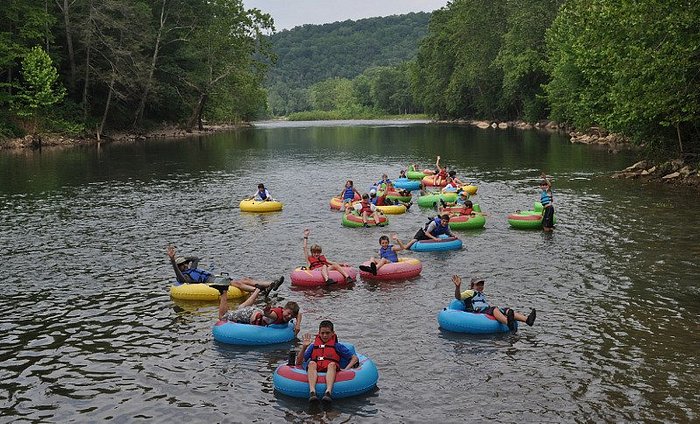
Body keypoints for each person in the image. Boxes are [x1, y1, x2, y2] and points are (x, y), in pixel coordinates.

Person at [166, 246, 284, 295]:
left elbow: (195, 258)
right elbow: (178, 274)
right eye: (181, 265)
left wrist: (184, 259)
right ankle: (260, 291)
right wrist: (173, 261)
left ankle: (272, 283)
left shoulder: (192, 268)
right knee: (236, 283)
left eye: (185, 263)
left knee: (245, 279)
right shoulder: (183, 277)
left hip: (213, 277)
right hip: (209, 283)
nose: (185, 265)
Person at [296, 320, 358, 402]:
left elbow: (354, 358)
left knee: (332, 364)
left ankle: (328, 392)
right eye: (322, 333)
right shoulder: (313, 346)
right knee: (311, 363)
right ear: (319, 333)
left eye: (327, 333)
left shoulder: (337, 346)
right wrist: (304, 347)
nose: (325, 335)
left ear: (333, 333)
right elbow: (299, 362)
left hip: (331, 368)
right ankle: (312, 392)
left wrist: (346, 369)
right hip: (316, 368)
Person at [211, 283, 301, 336]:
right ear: (284, 309)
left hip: (255, 311)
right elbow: (269, 314)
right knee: (222, 317)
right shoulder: (276, 315)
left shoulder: (288, 313)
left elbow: (299, 314)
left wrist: (298, 325)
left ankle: (258, 290)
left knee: (241, 308)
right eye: (288, 313)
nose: (289, 316)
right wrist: (267, 312)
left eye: (292, 316)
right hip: (249, 315)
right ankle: (224, 291)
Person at [452, 275, 536, 331]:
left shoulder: (481, 294)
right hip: (477, 311)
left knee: (507, 310)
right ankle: (508, 323)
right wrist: (458, 287)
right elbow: (458, 297)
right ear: (472, 285)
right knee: (494, 309)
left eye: (482, 284)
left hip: (485, 309)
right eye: (478, 284)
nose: (480, 286)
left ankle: (527, 320)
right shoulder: (469, 292)